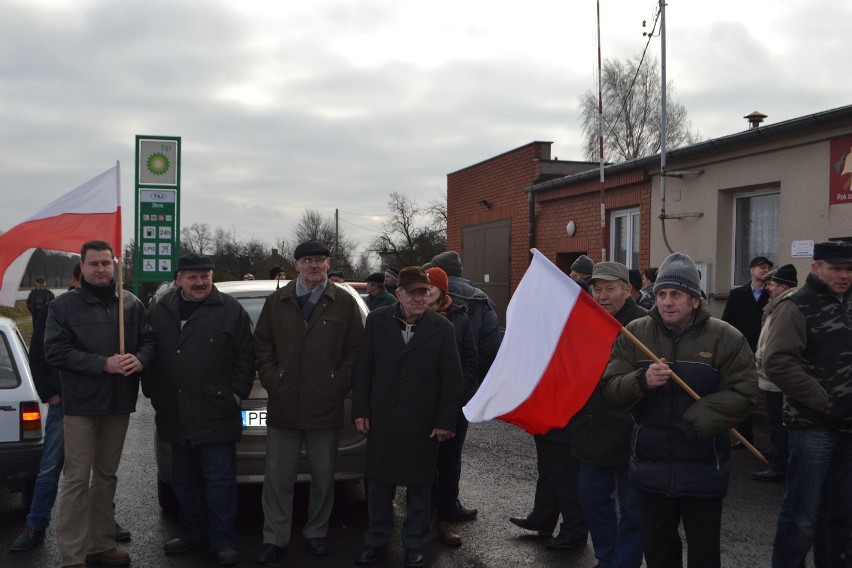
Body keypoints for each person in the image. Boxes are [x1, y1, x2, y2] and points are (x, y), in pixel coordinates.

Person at [602, 252, 758, 568]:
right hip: (651, 467)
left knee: (703, 555)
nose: (667, 302)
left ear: (695, 300)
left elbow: (743, 393)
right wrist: (642, 380)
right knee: (659, 552)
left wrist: (692, 423)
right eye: (661, 294)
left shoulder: (725, 337)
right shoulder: (635, 333)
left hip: (703, 467)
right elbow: (612, 388)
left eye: (676, 294)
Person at [44, 240, 155, 568]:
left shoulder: (131, 305)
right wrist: (101, 364)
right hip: (81, 406)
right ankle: (73, 556)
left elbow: (149, 339)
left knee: (106, 476)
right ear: (82, 266)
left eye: (107, 263)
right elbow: (54, 351)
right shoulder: (64, 307)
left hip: (118, 403)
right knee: (77, 479)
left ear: (114, 264)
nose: (101, 269)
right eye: (94, 264)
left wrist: (141, 358)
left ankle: (100, 544)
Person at [253, 240, 363, 564]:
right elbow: (262, 347)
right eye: (307, 260)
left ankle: (316, 533)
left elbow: (355, 351)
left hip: (325, 406)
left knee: (323, 476)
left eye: (320, 260)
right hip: (284, 407)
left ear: (328, 264)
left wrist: (336, 383)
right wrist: (275, 380)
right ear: (296, 264)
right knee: (277, 478)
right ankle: (274, 537)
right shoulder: (277, 302)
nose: (314, 265)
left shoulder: (344, 303)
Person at [10, 266, 132, 552]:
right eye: (82, 278)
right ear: (77, 279)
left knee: (101, 469)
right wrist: (48, 394)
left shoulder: (115, 309)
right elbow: (39, 355)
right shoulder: (58, 309)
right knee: (54, 468)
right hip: (64, 403)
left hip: (101, 400)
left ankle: (105, 522)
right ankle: (36, 524)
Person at [145, 253, 255, 566]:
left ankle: (223, 540)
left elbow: (246, 355)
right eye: (192, 276)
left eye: (205, 275)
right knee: (183, 480)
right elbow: (148, 351)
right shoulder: (161, 310)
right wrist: (153, 392)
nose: (200, 282)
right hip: (174, 411)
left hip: (216, 410)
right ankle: (191, 533)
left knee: (219, 481)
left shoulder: (229, 310)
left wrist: (236, 394)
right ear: (178, 279)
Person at [352, 267, 463, 568]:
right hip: (383, 420)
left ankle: (415, 543)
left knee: (420, 488)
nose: (418, 298)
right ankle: (376, 541)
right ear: (398, 294)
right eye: (412, 292)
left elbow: (452, 381)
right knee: (378, 487)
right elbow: (364, 370)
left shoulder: (442, 329)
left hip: (422, 424)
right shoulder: (376, 322)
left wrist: (444, 421)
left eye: (423, 292)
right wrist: (360, 410)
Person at [763, 242, 852, 568]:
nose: (844, 275)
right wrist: (825, 402)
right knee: (802, 512)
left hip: (848, 428)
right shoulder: (797, 305)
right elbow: (778, 362)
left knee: (841, 511)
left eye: (849, 269)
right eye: (836, 268)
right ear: (817, 269)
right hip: (813, 426)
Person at [571, 261, 646, 568]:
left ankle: (624, 562)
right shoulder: (585, 321)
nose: (601, 296)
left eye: (609, 289)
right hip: (592, 427)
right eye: (597, 289)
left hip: (632, 432)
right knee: (590, 498)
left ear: (627, 290)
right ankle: (607, 555)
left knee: (633, 508)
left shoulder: (644, 326)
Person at [427, 251, 502, 522]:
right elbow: (489, 352)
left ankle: (426, 506)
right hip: (461, 394)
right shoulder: (481, 301)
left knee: (423, 451)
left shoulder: (424, 295)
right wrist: (469, 388)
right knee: (452, 454)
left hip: (424, 392)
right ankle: (448, 505)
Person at [424, 266, 478, 547]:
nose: (427, 291)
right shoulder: (413, 315)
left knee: (449, 464)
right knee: (421, 463)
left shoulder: (460, 318)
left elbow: (471, 360)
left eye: (431, 286)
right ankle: (420, 519)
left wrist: (457, 391)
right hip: (420, 406)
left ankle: (445, 520)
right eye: (423, 286)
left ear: (442, 290)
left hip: (453, 406)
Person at [751, 264, 798, 482]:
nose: (769, 288)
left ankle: (780, 465)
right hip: (771, 376)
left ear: (784, 286)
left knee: (780, 423)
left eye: (773, 284)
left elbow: (778, 343)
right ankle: (777, 453)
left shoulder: (788, 306)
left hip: (777, 379)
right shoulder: (778, 304)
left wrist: (762, 360)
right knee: (776, 421)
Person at [722, 255, 772, 446]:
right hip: (742, 349)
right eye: (761, 267)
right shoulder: (737, 294)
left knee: (770, 394)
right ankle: (744, 437)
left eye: (768, 267)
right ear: (751, 270)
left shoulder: (771, 294)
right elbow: (727, 321)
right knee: (744, 393)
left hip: (765, 350)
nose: (765, 270)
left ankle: (775, 444)